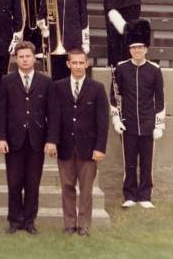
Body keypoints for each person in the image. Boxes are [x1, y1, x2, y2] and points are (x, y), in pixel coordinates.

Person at [45, 48, 109, 236]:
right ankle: (69, 224)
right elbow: (54, 117)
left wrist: (100, 148)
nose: (78, 66)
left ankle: (84, 226)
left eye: (82, 62)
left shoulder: (97, 88)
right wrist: (52, 141)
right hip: (65, 147)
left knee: (87, 190)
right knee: (67, 187)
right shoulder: (58, 86)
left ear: (87, 64)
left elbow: (102, 121)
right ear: (68, 64)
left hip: (88, 149)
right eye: (74, 62)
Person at [108, 14, 166, 209]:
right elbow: (114, 97)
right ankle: (130, 195)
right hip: (128, 122)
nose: (137, 51)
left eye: (140, 47)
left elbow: (160, 100)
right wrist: (116, 120)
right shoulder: (121, 69)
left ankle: (145, 195)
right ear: (129, 50)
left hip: (149, 124)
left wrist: (159, 126)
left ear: (146, 49)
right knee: (129, 162)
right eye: (133, 48)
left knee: (147, 162)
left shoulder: (155, 70)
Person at [0, 41, 52, 234]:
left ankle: (29, 220)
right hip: (13, 140)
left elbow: (52, 113)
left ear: (34, 58)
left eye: (28, 56)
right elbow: (0, 111)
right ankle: (14, 220)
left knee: (33, 182)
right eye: (21, 56)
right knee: (14, 181)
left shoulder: (45, 82)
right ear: (16, 59)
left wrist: (51, 140)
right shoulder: (6, 81)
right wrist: (1, 137)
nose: (25, 60)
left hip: (36, 140)